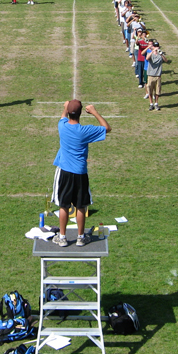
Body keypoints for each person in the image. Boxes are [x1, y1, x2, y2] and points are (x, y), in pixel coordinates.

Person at [51, 99, 111, 247]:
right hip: (80, 173)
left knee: (64, 205)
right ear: (80, 113)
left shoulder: (62, 126)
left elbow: (62, 117)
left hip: (64, 172)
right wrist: (95, 112)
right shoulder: (85, 131)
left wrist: (65, 107)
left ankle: (63, 237)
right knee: (81, 206)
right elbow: (107, 128)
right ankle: (80, 237)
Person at [146, 41, 168, 111]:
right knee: (150, 90)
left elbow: (166, 60)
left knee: (157, 91)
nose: (156, 48)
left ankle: (156, 103)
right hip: (150, 75)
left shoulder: (160, 55)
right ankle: (151, 104)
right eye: (155, 46)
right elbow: (147, 58)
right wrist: (152, 51)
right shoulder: (150, 54)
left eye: (157, 46)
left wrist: (161, 54)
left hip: (158, 76)